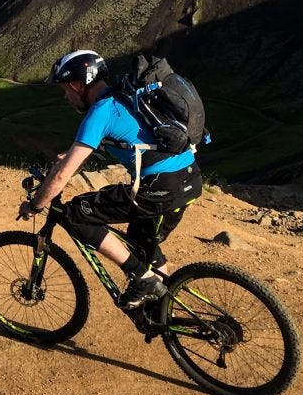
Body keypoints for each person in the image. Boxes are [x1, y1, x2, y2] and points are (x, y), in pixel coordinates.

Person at [19, 49, 202, 327]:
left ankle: (143, 280)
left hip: (158, 187)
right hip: (189, 179)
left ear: (77, 85)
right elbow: (122, 141)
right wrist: (65, 158)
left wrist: (35, 205)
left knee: (75, 215)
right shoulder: (128, 95)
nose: (65, 97)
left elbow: (59, 180)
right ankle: (163, 314)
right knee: (144, 246)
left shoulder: (100, 112)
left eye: (64, 90)